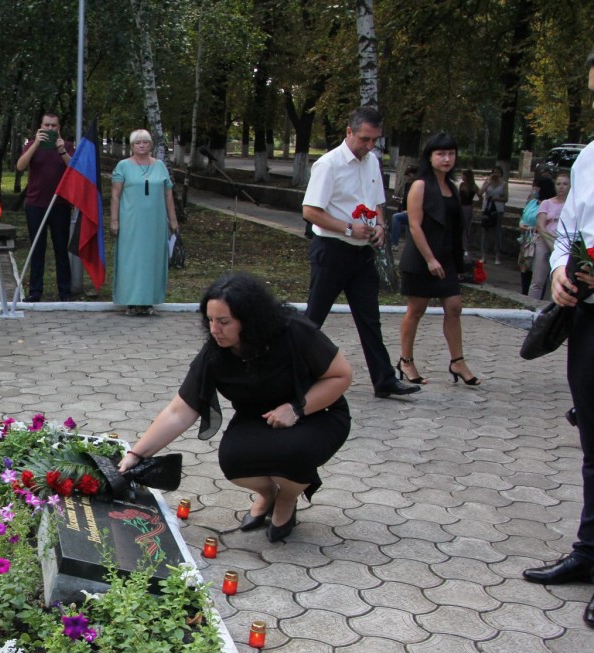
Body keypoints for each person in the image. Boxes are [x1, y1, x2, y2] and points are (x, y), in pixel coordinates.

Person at [118, 273, 352, 543]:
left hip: (318, 413)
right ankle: (268, 495)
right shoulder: (216, 351)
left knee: (292, 457)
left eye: (224, 322)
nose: (214, 329)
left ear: (249, 320)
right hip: (259, 418)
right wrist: (136, 454)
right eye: (210, 320)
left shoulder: (294, 331)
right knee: (233, 461)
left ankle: (287, 499)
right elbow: (179, 411)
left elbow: (341, 375)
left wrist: (296, 408)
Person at [522, 49, 594, 629]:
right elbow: (571, 229)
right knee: (592, 442)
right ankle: (589, 553)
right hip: (587, 314)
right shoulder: (593, 156)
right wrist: (560, 273)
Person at [302, 105, 420, 399]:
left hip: (362, 253)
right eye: (364, 139)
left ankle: (384, 380)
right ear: (349, 132)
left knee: (370, 319)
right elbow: (310, 211)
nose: (368, 146)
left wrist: (380, 226)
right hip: (331, 251)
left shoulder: (371, 162)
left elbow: (377, 203)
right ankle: (292, 374)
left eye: (374, 140)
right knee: (313, 319)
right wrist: (346, 228)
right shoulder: (328, 164)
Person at [396, 133, 481, 388]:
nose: (447, 159)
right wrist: (430, 259)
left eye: (451, 154)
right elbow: (414, 226)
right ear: (430, 157)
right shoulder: (420, 185)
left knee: (454, 307)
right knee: (416, 310)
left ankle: (458, 361)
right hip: (421, 259)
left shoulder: (452, 187)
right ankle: (406, 360)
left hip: (447, 259)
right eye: (441, 154)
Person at [110, 129, 179, 316]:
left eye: (145, 142)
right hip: (131, 221)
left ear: (151, 145)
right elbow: (115, 195)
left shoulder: (160, 166)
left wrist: (173, 220)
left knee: (152, 260)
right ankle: (130, 302)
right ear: (132, 146)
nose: (142, 145)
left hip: (155, 223)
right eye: (137, 142)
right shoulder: (123, 166)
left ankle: (149, 301)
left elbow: (168, 194)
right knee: (131, 260)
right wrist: (114, 220)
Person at [16, 112, 74, 302]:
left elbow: (75, 169)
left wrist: (62, 151)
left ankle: (65, 292)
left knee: (61, 249)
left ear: (59, 128)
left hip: (60, 204)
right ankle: (35, 292)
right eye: (46, 126)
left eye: (54, 126)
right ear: (40, 127)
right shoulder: (32, 144)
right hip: (36, 204)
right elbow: (20, 166)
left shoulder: (65, 146)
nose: (50, 129)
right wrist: (35, 144)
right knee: (37, 249)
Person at [532, 172, 570, 300]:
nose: (561, 187)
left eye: (565, 184)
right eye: (558, 184)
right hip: (544, 241)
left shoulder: (572, 205)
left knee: (559, 281)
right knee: (538, 280)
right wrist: (552, 245)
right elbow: (541, 227)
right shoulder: (547, 203)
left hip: (564, 243)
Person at [518, 175, 553, 296]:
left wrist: (536, 228)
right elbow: (523, 216)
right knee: (525, 270)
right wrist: (521, 225)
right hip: (526, 241)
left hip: (538, 241)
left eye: (536, 187)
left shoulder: (548, 204)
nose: (534, 189)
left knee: (538, 275)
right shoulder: (532, 202)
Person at [477, 165, 508, 265]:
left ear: (501, 174)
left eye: (498, 172)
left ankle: (497, 256)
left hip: (498, 209)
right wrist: (488, 183)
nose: (496, 174)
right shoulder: (487, 182)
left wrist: (497, 198)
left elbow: (506, 198)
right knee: (484, 232)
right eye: (494, 172)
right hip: (487, 209)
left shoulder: (503, 184)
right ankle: (483, 256)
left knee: (497, 233)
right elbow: (480, 193)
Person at [458, 168, 478, 256]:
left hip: (467, 207)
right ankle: (460, 245)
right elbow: (459, 197)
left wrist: (473, 205)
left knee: (466, 227)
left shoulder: (473, 186)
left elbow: (480, 197)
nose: (462, 177)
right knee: (460, 227)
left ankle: (466, 247)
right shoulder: (461, 184)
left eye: (463, 175)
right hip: (460, 207)